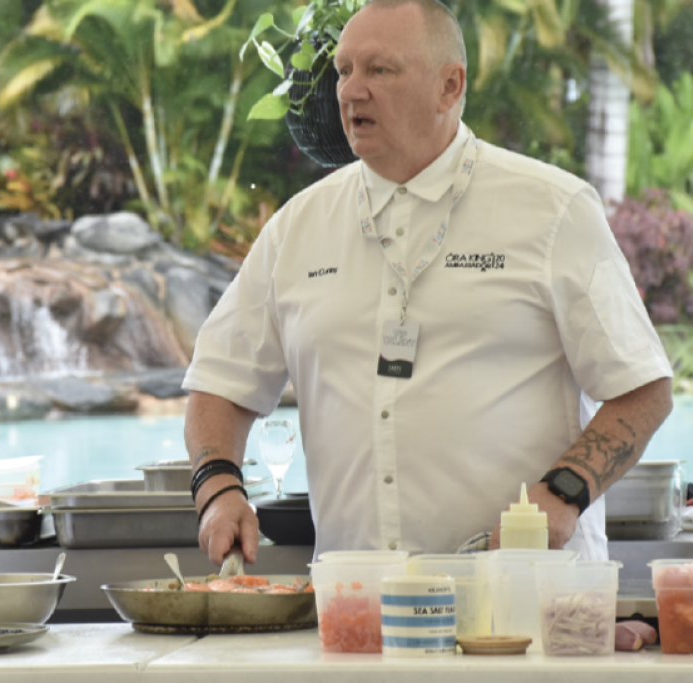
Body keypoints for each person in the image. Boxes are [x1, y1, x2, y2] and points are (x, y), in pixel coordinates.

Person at [182, 0, 673, 566]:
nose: (350, 91)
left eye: (379, 70)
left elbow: (643, 388)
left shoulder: (553, 210)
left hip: (525, 602)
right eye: (343, 71)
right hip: (359, 614)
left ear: (449, 86)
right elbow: (220, 380)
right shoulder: (297, 227)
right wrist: (218, 488)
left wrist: (563, 493)